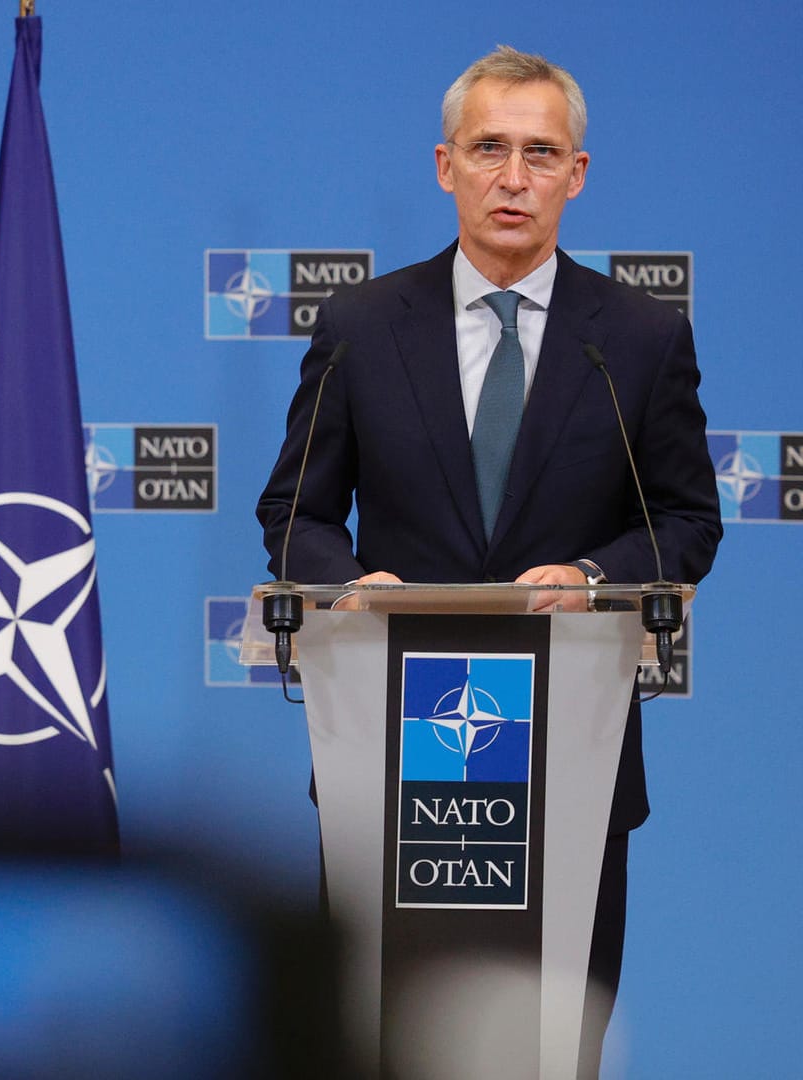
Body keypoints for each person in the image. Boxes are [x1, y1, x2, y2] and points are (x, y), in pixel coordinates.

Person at [255, 46, 721, 1071]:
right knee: (381, 1037)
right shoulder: (364, 326)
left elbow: (685, 521)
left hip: (573, 757)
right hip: (394, 747)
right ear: (444, 165)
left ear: (578, 173)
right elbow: (295, 511)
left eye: (541, 152)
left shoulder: (638, 339)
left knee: (553, 1045)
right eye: (490, 149)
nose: (515, 177)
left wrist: (596, 578)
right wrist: (345, 585)